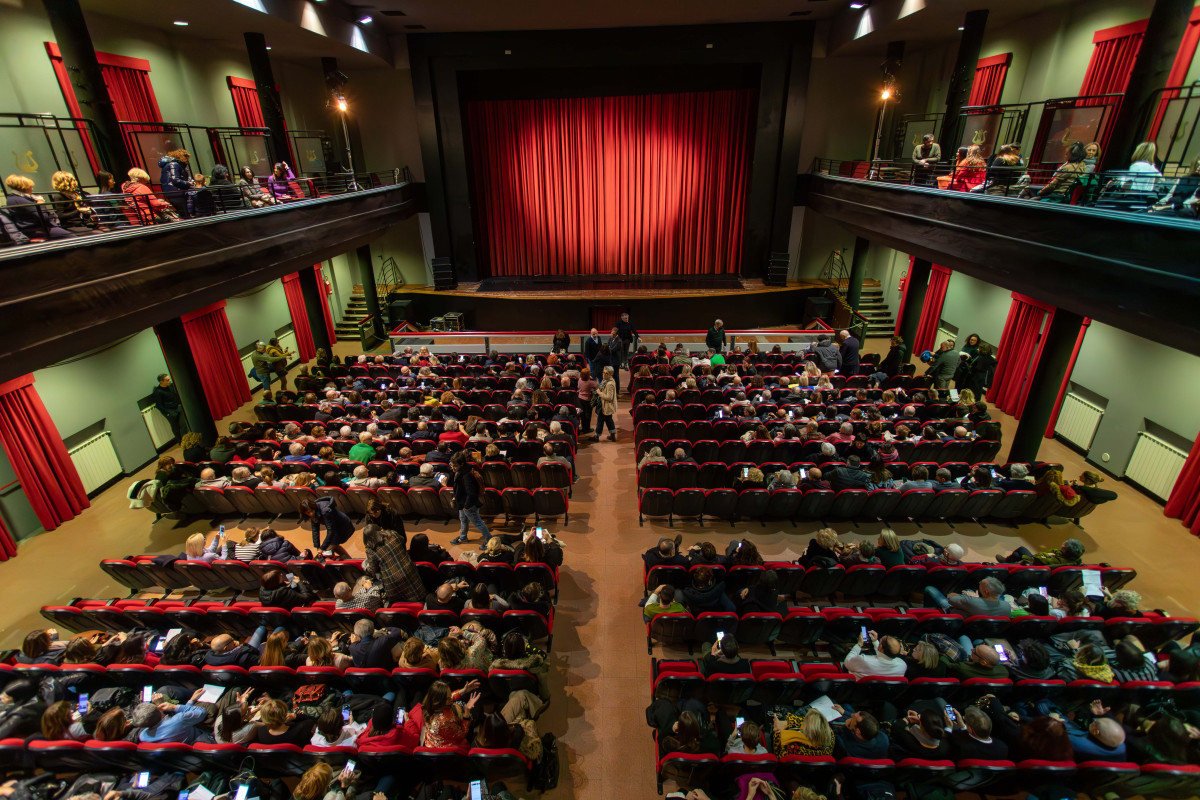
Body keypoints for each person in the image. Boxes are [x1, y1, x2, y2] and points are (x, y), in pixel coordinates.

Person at [361, 524, 424, 604]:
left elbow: (373, 570)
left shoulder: (370, 549)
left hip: (392, 583)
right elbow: (402, 540)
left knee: (364, 564)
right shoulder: (392, 534)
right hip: (409, 571)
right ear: (379, 530)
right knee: (419, 598)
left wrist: (365, 570)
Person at [3, 174, 75, 239]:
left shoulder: (13, 198)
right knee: (72, 237)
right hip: (37, 229)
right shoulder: (19, 200)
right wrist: (40, 203)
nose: (32, 189)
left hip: (36, 228)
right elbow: (44, 217)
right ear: (23, 187)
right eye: (30, 187)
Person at [448, 450, 492, 548]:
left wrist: (467, 506)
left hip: (469, 505)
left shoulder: (467, 475)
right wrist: (452, 470)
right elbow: (450, 483)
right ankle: (463, 537)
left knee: (478, 523)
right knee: (463, 520)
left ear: (462, 464)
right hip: (462, 503)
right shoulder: (458, 471)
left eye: (455, 466)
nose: (453, 468)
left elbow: (471, 493)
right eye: (452, 465)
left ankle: (489, 539)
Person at [133, 688, 209, 743]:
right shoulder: (179, 719)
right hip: (200, 736)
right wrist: (173, 707)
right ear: (159, 710)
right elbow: (202, 712)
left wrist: (190, 701)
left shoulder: (143, 736)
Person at [158, 149, 194, 217]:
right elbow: (175, 180)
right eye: (186, 158)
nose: (187, 160)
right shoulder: (174, 164)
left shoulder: (170, 164)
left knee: (183, 213)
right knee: (185, 213)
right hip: (177, 192)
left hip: (172, 192)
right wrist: (188, 183)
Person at [594, 366, 618, 441]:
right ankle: (612, 435)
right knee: (608, 420)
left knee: (600, 421)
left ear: (610, 374)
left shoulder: (610, 384)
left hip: (606, 406)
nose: (604, 374)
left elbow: (609, 397)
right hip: (604, 405)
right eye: (603, 372)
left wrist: (599, 393)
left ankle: (596, 436)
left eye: (606, 373)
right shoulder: (605, 380)